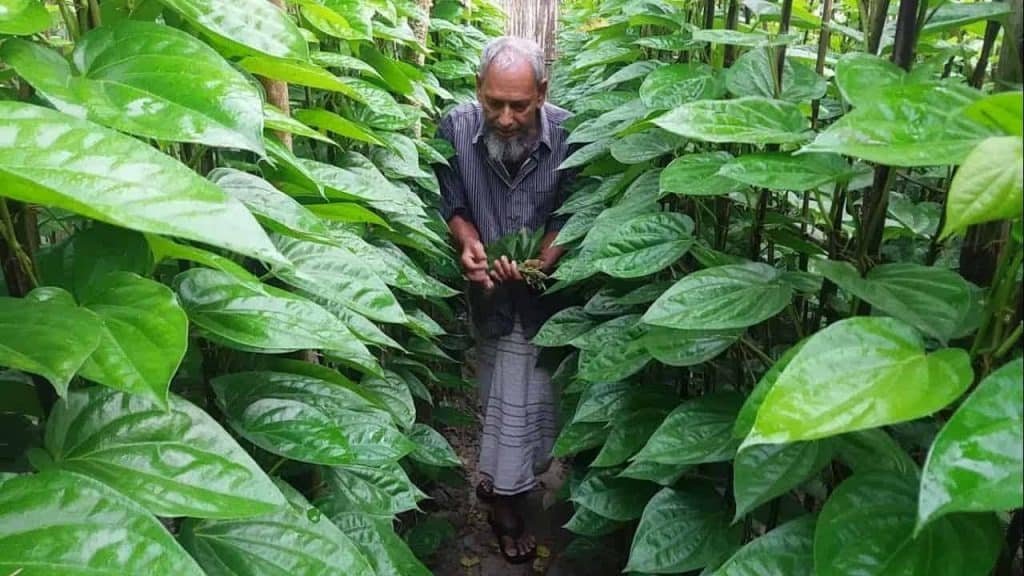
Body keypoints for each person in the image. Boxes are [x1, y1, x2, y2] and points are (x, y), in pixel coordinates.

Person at [434, 36, 576, 564]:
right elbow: (452, 200)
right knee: (501, 391)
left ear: (542, 92)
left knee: (536, 403)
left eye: (519, 104)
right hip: (489, 296)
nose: (506, 117)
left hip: (542, 299)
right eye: (494, 103)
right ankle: (502, 501)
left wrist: (543, 261)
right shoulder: (454, 128)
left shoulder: (568, 136)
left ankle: (514, 477)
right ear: (479, 90)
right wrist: (469, 244)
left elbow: (569, 211)